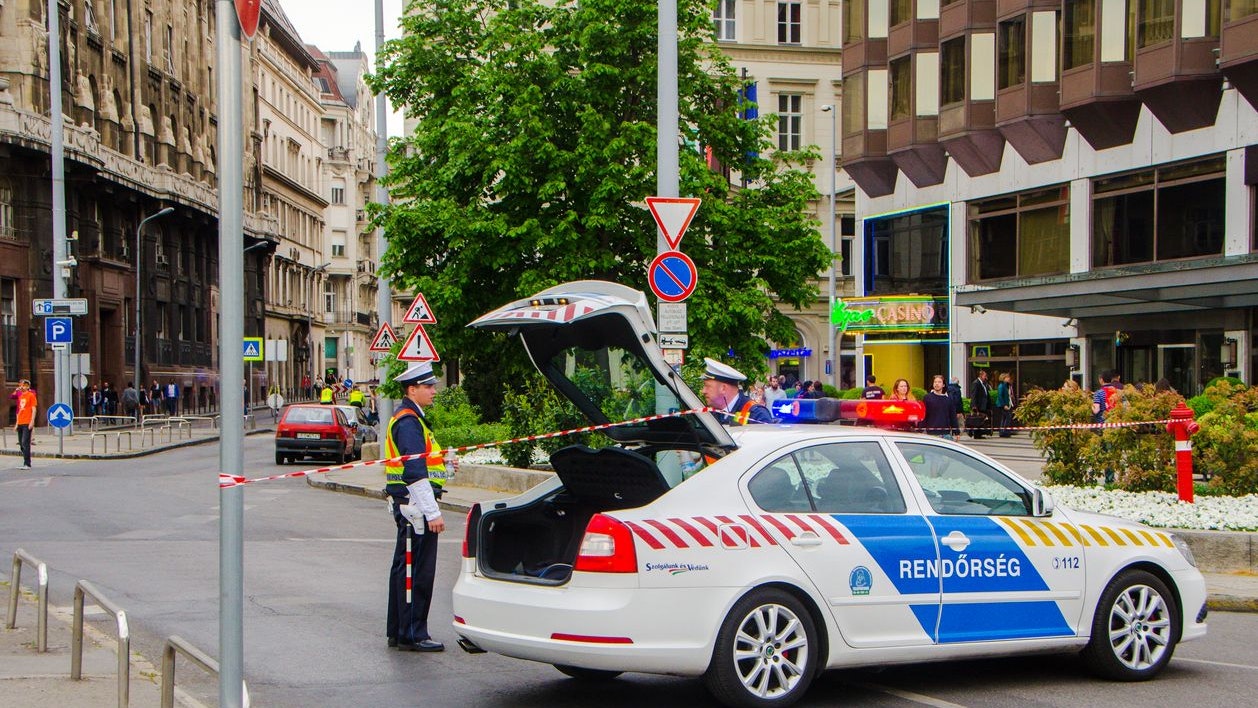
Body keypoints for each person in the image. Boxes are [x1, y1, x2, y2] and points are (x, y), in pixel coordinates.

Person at [385, 362, 453, 653]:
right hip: (416, 508)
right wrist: (432, 512)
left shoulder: (411, 419)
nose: (434, 391)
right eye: (428, 386)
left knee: (404, 568)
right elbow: (414, 472)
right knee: (417, 571)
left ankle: (400, 631)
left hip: (408, 504)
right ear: (412, 390)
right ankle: (414, 633)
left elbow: (425, 463)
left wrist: (446, 465)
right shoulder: (409, 421)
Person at [700, 357, 774, 426]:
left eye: (708, 386)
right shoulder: (713, 413)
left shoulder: (756, 414)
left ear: (723, 388)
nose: (703, 391)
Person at [14, 379, 37, 469]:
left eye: (23, 385)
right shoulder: (21, 397)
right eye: (21, 385)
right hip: (20, 422)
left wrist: (32, 421)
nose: (21, 387)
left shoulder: (31, 396)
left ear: (27, 387)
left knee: (25, 442)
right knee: (21, 443)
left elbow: (34, 409)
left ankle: (27, 464)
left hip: (27, 422)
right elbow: (19, 410)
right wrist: (16, 423)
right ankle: (25, 461)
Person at [969, 369, 992, 438]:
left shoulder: (984, 384)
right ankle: (976, 434)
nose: (986, 377)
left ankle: (979, 434)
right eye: (985, 376)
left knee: (981, 419)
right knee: (978, 419)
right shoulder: (976, 383)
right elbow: (974, 395)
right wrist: (974, 405)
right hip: (979, 405)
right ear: (981, 376)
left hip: (983, 405)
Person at [995, 372, 1014, 437]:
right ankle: (1005, 431)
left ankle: (1002, 431)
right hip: (1002, 405)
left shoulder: (1006, 385)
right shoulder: (1001, 386)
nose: (1009, 378)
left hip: (1006, 403)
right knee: (1007, 416)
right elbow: (1000, 396)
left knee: (1004, 417)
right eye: (1007, 377)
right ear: (1003, 378)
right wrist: (1004, 405)